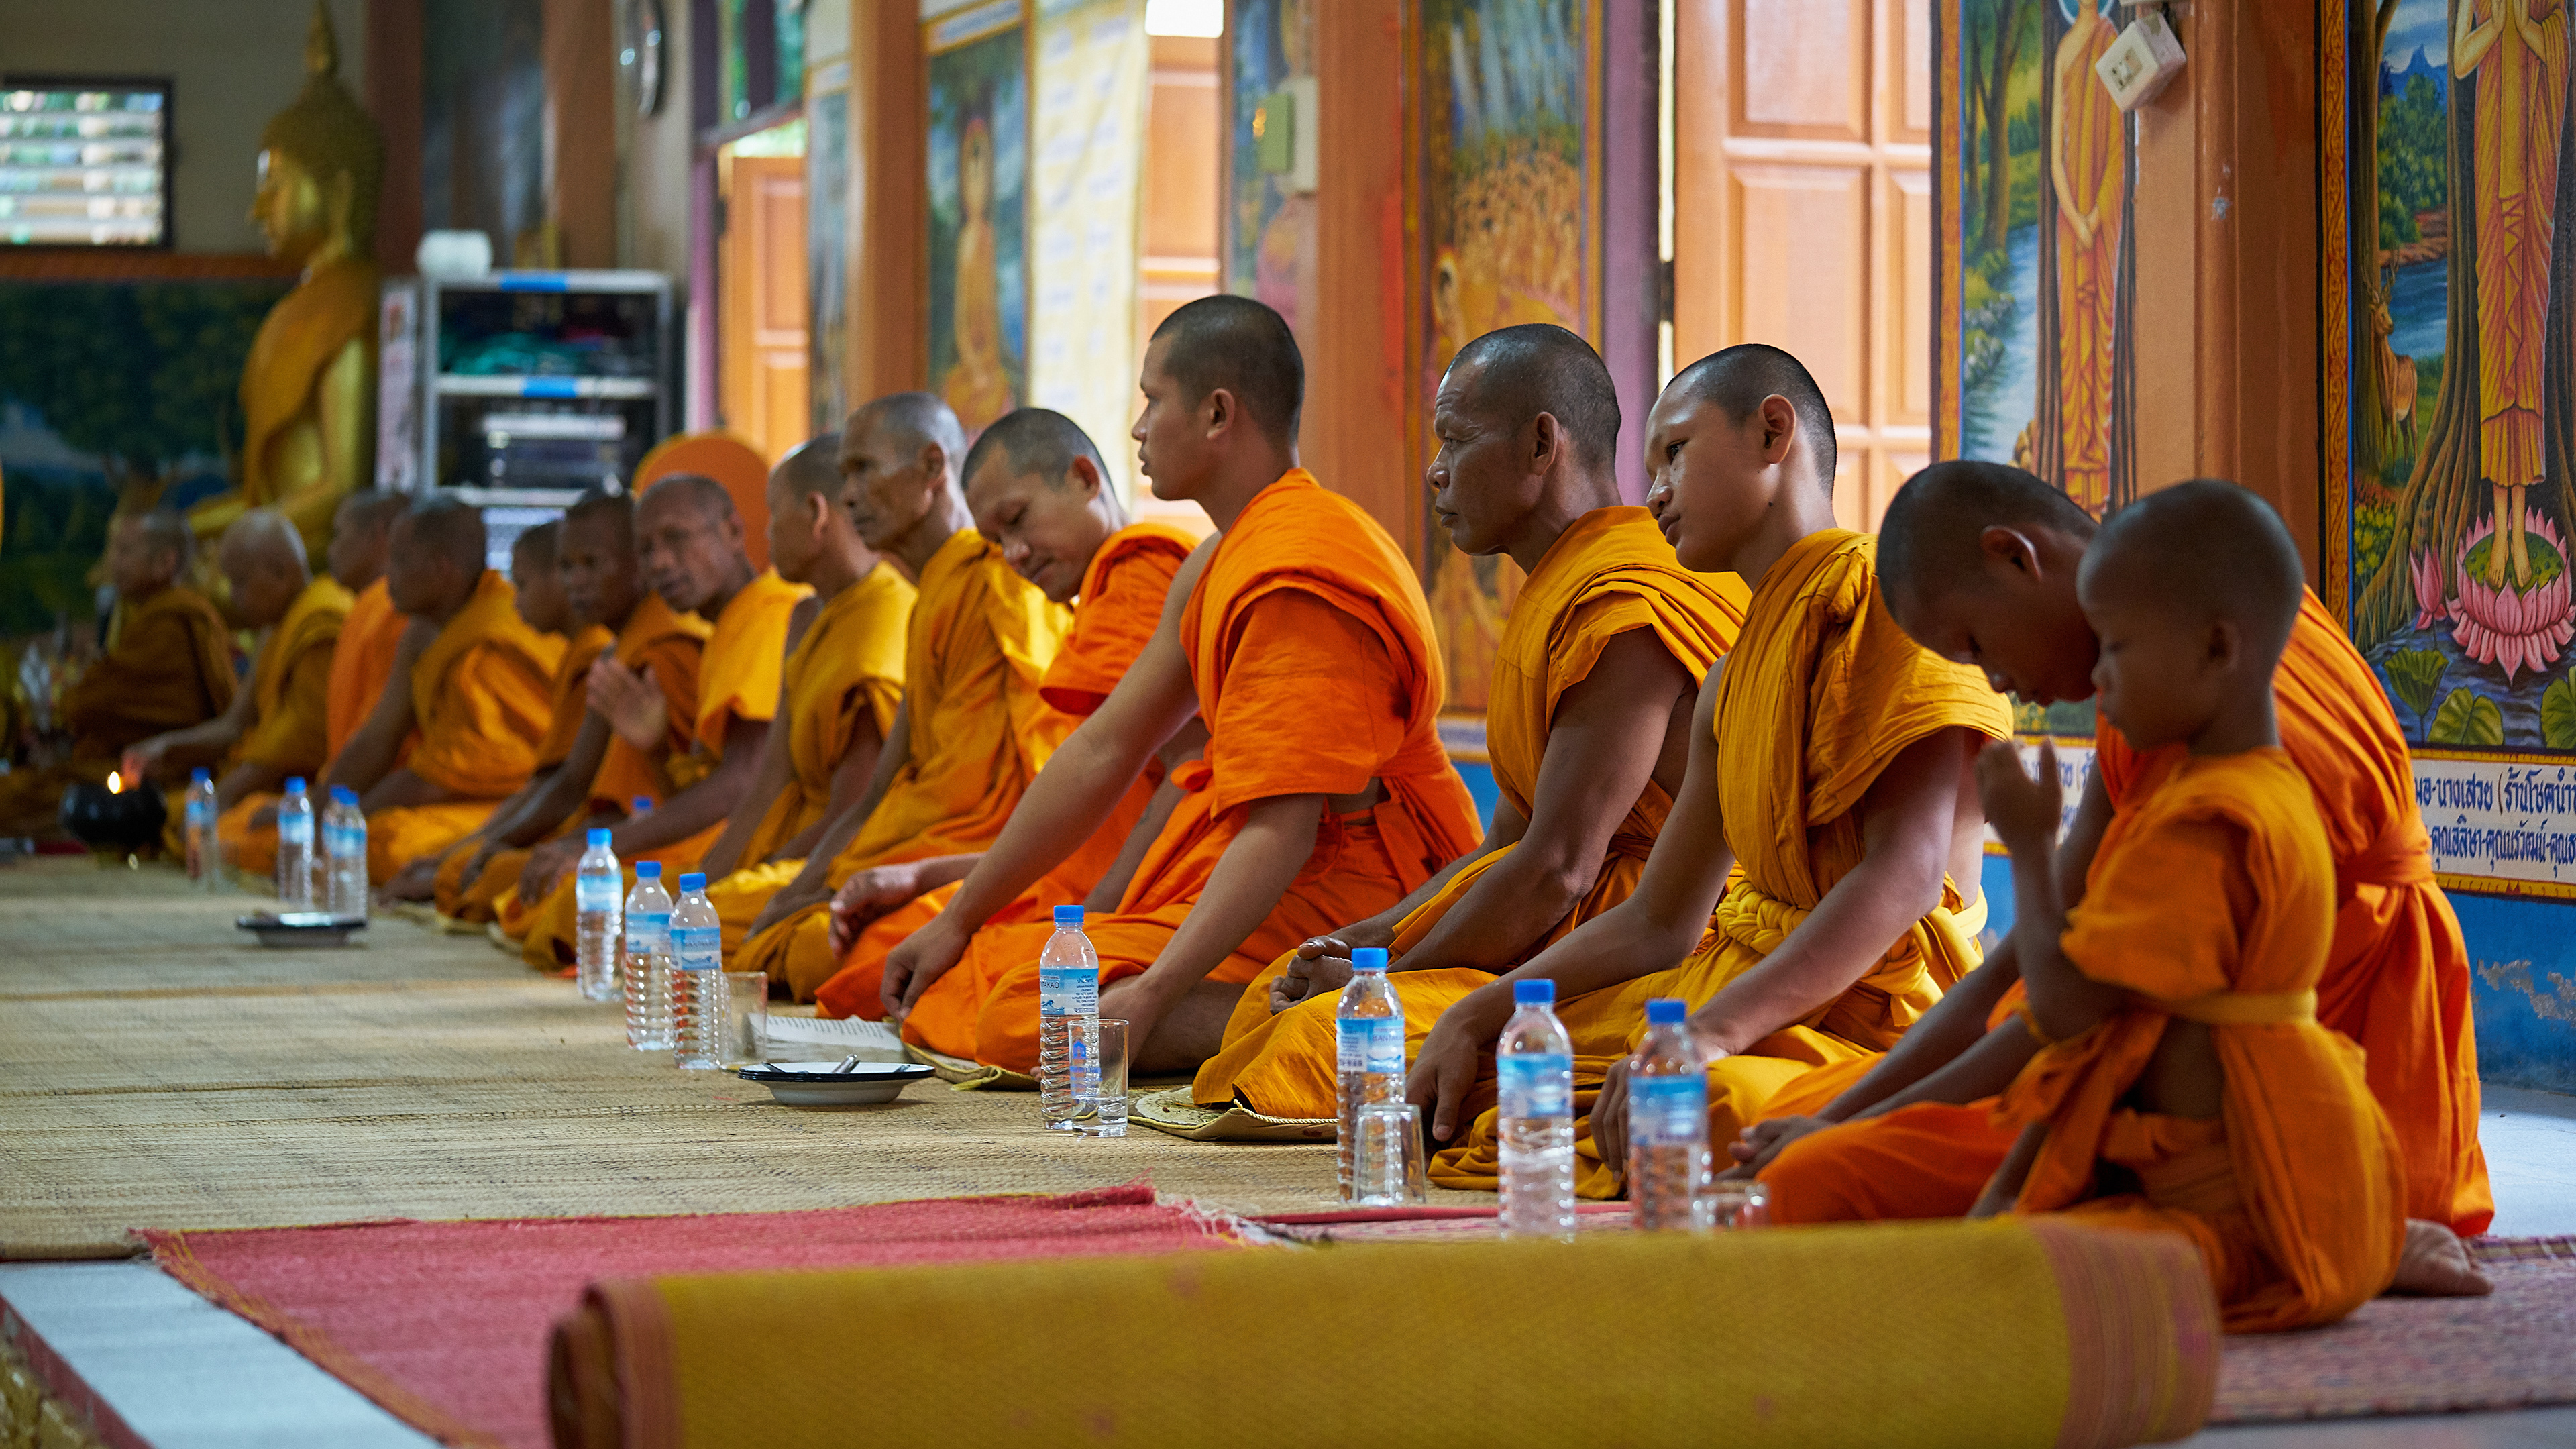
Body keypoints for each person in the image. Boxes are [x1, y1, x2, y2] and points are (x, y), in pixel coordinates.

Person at [1738, 460, 2496, 1240]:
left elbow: (2071, 1015)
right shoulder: (2175, 671)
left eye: (1975, 646)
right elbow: (2033, 964)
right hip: (2158, 1047)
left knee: (1808, 1178)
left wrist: (1858, 1127)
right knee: (1790, 1115)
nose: (1996, 682)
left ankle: (2345, 1223)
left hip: (2280, 1084)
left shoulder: (2210, 744)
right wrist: (1841, 1114)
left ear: (2015, 556)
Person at [1424, 345, 2012, 1197]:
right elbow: (1661, 920)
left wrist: (1709, 1035)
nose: (1654, 493)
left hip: (1876, 1019)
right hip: (1735, 986)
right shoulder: (1731, 678)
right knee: (1489, 1069)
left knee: (1701, 1107)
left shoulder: (1889, 604)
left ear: (1773, 433)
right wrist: (1485, 1010)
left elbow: (1907, 878)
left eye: (1676, 452)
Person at [878, 295, 1483, 1075]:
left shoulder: (1299, 564)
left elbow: (1287, 826)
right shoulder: (1215, 560)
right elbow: (1105, 748)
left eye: (1152, 400)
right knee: (1016, 984)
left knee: (1037, 1011)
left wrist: (1158, 991)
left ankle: (1355, 1010)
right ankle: (1306, 1011)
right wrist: (957, 919)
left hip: (1357, 890)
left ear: (1217, 414)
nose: (1137, 429)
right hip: (1276, 874)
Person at [1189, 324, 1750, 1117]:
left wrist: (1386, 978)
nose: (1436, 469)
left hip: (1644, 954)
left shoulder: (1625, 608)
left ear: (1540, 445)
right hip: (1565, 934)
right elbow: (1506, 847)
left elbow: (1560, 870)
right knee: (1279, 1007)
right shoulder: (1564, 590)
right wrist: (1373, 941)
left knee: (1326, 1039)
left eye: (1456, 438)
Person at [1970, 481, 2406, 1331]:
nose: (2097, 677)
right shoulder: (2270, 790)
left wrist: (2027, 845)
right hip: (2291, 1192)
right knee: (1993, 1251)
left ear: (2216, 649)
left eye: (2117, 647)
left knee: (1996, 1284)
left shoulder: (2206, 823)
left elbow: (2063, 1012)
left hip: (2234, 1223)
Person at [812, 406, 1201, 1030]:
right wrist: (925, 874)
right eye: (996, 541)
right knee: (900, 976)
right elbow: (1089, 831)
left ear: (1084, 478)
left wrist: (1097, 923)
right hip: (1090, 890)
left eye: (1018, 520)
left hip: (1148, 897)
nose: (1013, 555)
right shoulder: (1102, 596)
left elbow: (1185, 779)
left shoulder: (1137, 579)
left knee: (987, 1010)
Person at [729, 394, 1073, 1000]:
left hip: (977, 861)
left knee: (820, 949)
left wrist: (840, 885)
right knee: (762, 920)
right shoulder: (932, 597)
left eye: (864, 469)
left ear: (933, 468)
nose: (849, 495)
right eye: (844, 476)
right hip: (903, 854)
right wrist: (810, 885)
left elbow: (1010, 787)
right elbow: (882, 789)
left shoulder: (1003, 584)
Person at [512, 475, 809, 969]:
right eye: (646, 549)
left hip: (770, 848)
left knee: (576, 901)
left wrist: (600, 849)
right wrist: (654, 748)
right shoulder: (725, 627)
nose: (661, 563)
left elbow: (743, 781)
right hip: (731, 844)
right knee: (568, 898)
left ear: (734, 532)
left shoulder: (763, 616)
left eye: (676, 538)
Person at [688, 437, 915, 949]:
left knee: (704, 925)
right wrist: (708, 879)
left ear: (816, 513)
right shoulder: (805, 616)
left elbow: (853, 813)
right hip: (786, 846)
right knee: (680, 911)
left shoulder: (884, 621)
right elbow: (770, 777)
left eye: (774, 514)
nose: (766, 535)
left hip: (835, 856)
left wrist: (765, 878)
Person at [460, 492, 710, 935]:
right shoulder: (618, 653)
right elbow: (573, 782)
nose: (576, 581)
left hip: (677, 842)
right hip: (624, 834)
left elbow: (700, 794)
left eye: (592, 564)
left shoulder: (669, 648)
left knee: (539, 888)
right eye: (566, 566)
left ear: (638, 564)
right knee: (496, 870)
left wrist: (573, 848)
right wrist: (494, 843)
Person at [380, 521, 606, 906]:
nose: (515, 602)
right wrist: (463, 852)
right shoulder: (578, 653)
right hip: (556, 818)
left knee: (495, 874)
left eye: (523, 585)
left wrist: (470, 853)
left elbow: (565, 789)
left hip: (594, 831)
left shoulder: (597, 656)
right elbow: (549, 783)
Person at [351, 497, 563, 882]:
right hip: (500, 805)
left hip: (517, 804)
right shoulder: (431, 630)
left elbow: (440, 778)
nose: (388, 576)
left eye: (400, 561)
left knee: (386, 842)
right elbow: (378, 735)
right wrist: (331, 811)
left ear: (441, 570)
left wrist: (348, 820)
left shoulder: (490, 643)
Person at [210, 488, 412, 879]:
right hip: (348, 793)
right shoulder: (360, 610)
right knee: (237, 828)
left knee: (248, 834)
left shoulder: (344, 615)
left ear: (379, 536)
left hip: (380, 796)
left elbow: (370, 739)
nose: (329, 550)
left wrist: (321, 809)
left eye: (338, 535)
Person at [0, 511, 235, 836]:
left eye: (125, 551)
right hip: (132, 763)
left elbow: (91, 705)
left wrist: (69, 703)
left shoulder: (169, 625)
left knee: (18, 796)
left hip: (158, 773)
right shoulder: (150, 616)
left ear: (165, 562)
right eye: (113, 550)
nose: (113, 562)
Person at [129, 511, 350, 846]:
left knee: (228, 835)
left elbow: (300, 740)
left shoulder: (320, 622)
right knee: (166, 812)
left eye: (240, 582)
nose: (233, 597)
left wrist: (224, 796)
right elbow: (236, 724)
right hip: (267, 782)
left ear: (281, 572)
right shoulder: (275, 628)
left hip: (308, 791)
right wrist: (169, 747)